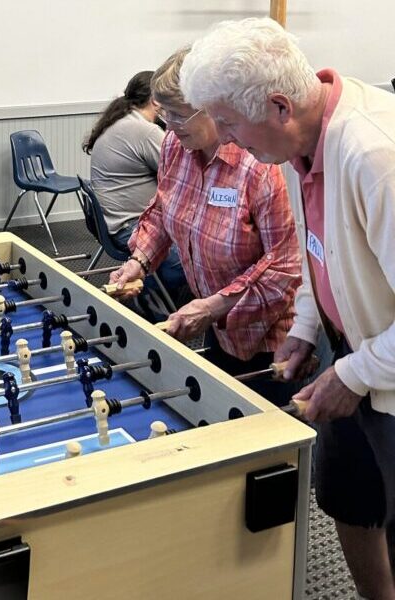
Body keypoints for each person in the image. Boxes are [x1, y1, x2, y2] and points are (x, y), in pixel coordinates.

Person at [180, 17, 395, 600]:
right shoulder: (301, 144)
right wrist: (304, 327)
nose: (224, 139)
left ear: (278, 106)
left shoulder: (374, 156)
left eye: (228, 122)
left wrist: (353, 373)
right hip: (355, 350)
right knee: (348, 497)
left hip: (381, 367)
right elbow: (313, 252)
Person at [109, 46, 302, 406]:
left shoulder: (258, 164)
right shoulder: (174, 146)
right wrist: (138, 262)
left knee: (267, 447)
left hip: (269, 337)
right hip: (217, 324)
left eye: (179, 115)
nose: (169, 125)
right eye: (164, 114)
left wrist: (213, 306)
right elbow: (162, 211)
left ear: (213, 109)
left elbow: (284, 264)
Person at [84, 71, 189, 311]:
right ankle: (145, 303)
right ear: (155, 100)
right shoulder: (145, 131)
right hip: (128, 226)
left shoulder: (121, 121)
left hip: (111, 223)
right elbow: (183, 172)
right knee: (191, 262)